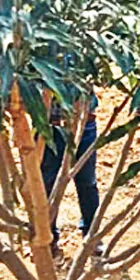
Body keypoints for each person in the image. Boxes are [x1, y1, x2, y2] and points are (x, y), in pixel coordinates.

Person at [41, 95, 102, 257]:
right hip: (50, 126)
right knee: (48, 184)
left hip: (84, 123)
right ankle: (47, 236)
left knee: (87, 182)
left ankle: (92, 235)